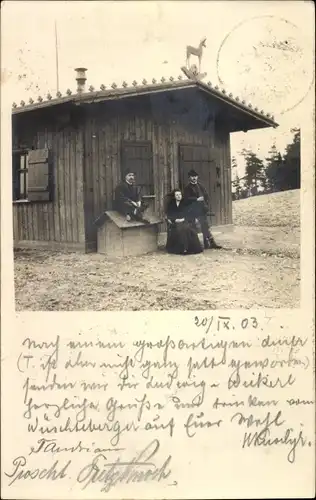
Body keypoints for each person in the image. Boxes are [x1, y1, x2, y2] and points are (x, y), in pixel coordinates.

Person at [183, 169, 222, 249]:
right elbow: (186, 199)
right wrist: (196, 199)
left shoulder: (201, 186)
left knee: (205, 226)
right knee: (193, 228)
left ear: (197, 177)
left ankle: (210, 243)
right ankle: (195, 245)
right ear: (189, 177)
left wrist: (205, 205)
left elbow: (206, 196)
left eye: (195, 176)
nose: (194, 178)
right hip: (192, 211)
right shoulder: (187, 188)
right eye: (192, 176)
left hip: (201, 210)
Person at [165, 189, 203, 255]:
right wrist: (174, 220)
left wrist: (184, 219)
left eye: (180, 194)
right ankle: (181, 249)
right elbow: (169, 213)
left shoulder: (185, 202)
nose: (179, 196)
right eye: (177, 195)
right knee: (179, 229)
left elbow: (190, 209)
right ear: (174, 196)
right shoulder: (171, 203)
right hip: (175, 221)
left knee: (186, 228)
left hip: (184, 220)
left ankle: (187, 248)